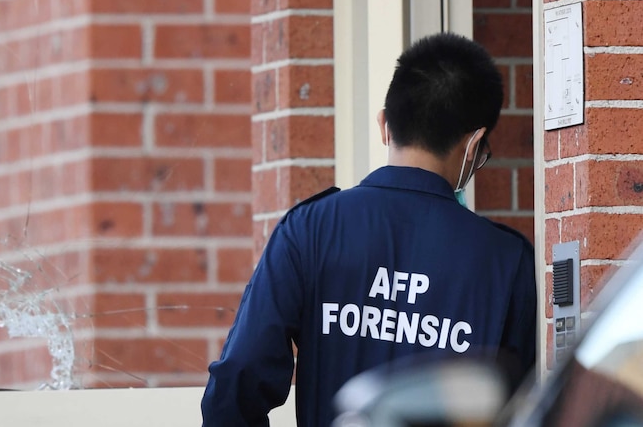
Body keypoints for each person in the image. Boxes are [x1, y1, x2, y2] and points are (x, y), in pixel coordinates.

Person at [200, 32, 536, 427]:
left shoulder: (310, 229)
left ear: (384, 124)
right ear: (474, 145)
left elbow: (236, 387)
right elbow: (525, 408)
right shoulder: (505, 261)